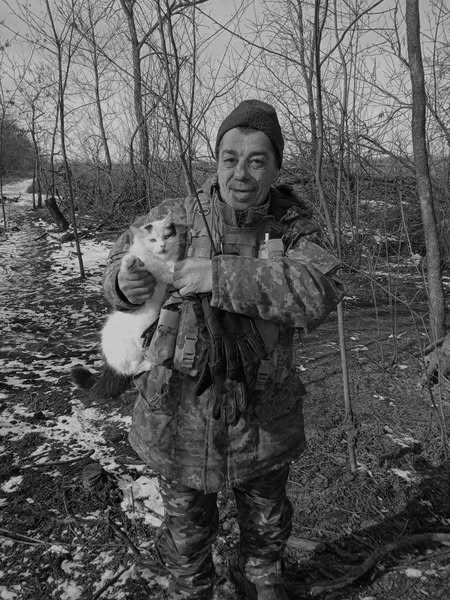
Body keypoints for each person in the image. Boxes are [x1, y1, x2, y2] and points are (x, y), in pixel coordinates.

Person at [102, 99, 345, 600]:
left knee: (266, 534)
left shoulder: (293, 227)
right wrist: (123, 283)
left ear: (275, 168)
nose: (241, 173)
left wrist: (220, 276)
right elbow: (120, 263)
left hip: (263, 421)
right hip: (178, 417)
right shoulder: (175, 216)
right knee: (186, 540)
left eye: (257, 160)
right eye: (230, 158)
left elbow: (318, 291)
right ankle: (193, 587)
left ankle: (255, 581)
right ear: (216, 162)